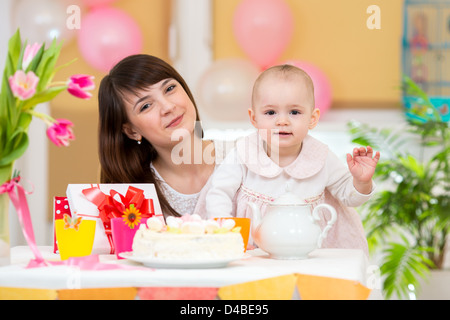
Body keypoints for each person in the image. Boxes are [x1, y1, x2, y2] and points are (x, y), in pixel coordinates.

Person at [205, 64, 380, 253]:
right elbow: (219, 193)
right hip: (253, 253)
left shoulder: (320, 156)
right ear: (254, 118)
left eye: (294, 112)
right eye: (270, 112)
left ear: (312, 119)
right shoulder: (244, 152)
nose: (282, 121)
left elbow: (349, 198)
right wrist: (225, 234)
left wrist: (361, 181)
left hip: (308, 253)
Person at [98, 54, 221, 218]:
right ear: (132, 131)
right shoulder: (133, 197)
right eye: (146, 106)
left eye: (169, 89)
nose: (168, 107)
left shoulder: (243, 160)